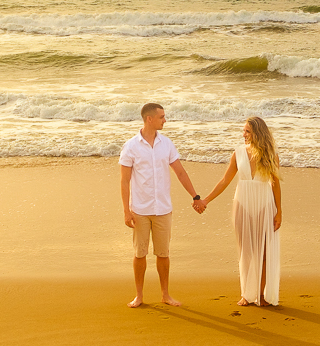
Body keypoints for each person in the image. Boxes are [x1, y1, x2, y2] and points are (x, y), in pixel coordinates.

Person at [120, 103, 201, 308]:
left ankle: (165, 295)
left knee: (163, 254)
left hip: (163, 209)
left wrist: (195, 196)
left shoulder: (167, 144)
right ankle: (139, 296)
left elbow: (180, 172)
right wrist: (126, 211)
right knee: (140, 254)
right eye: (162, 117)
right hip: (140, 210)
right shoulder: (131, 146)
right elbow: (124, 181)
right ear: (150, 119)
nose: (165, 120)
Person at [195, 116, 281, 306]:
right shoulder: (238, 153)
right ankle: (247, 294)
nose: (243, 134)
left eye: (247, 131)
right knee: (246, 252)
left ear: (258, 133)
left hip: (265, 204)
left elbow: (275, 184)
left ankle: (261, 295)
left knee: (264, 253)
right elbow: (225, 180)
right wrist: (206, 200)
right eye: (243, 131)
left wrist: (279, 212)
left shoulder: (271, 155)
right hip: (242, 204)